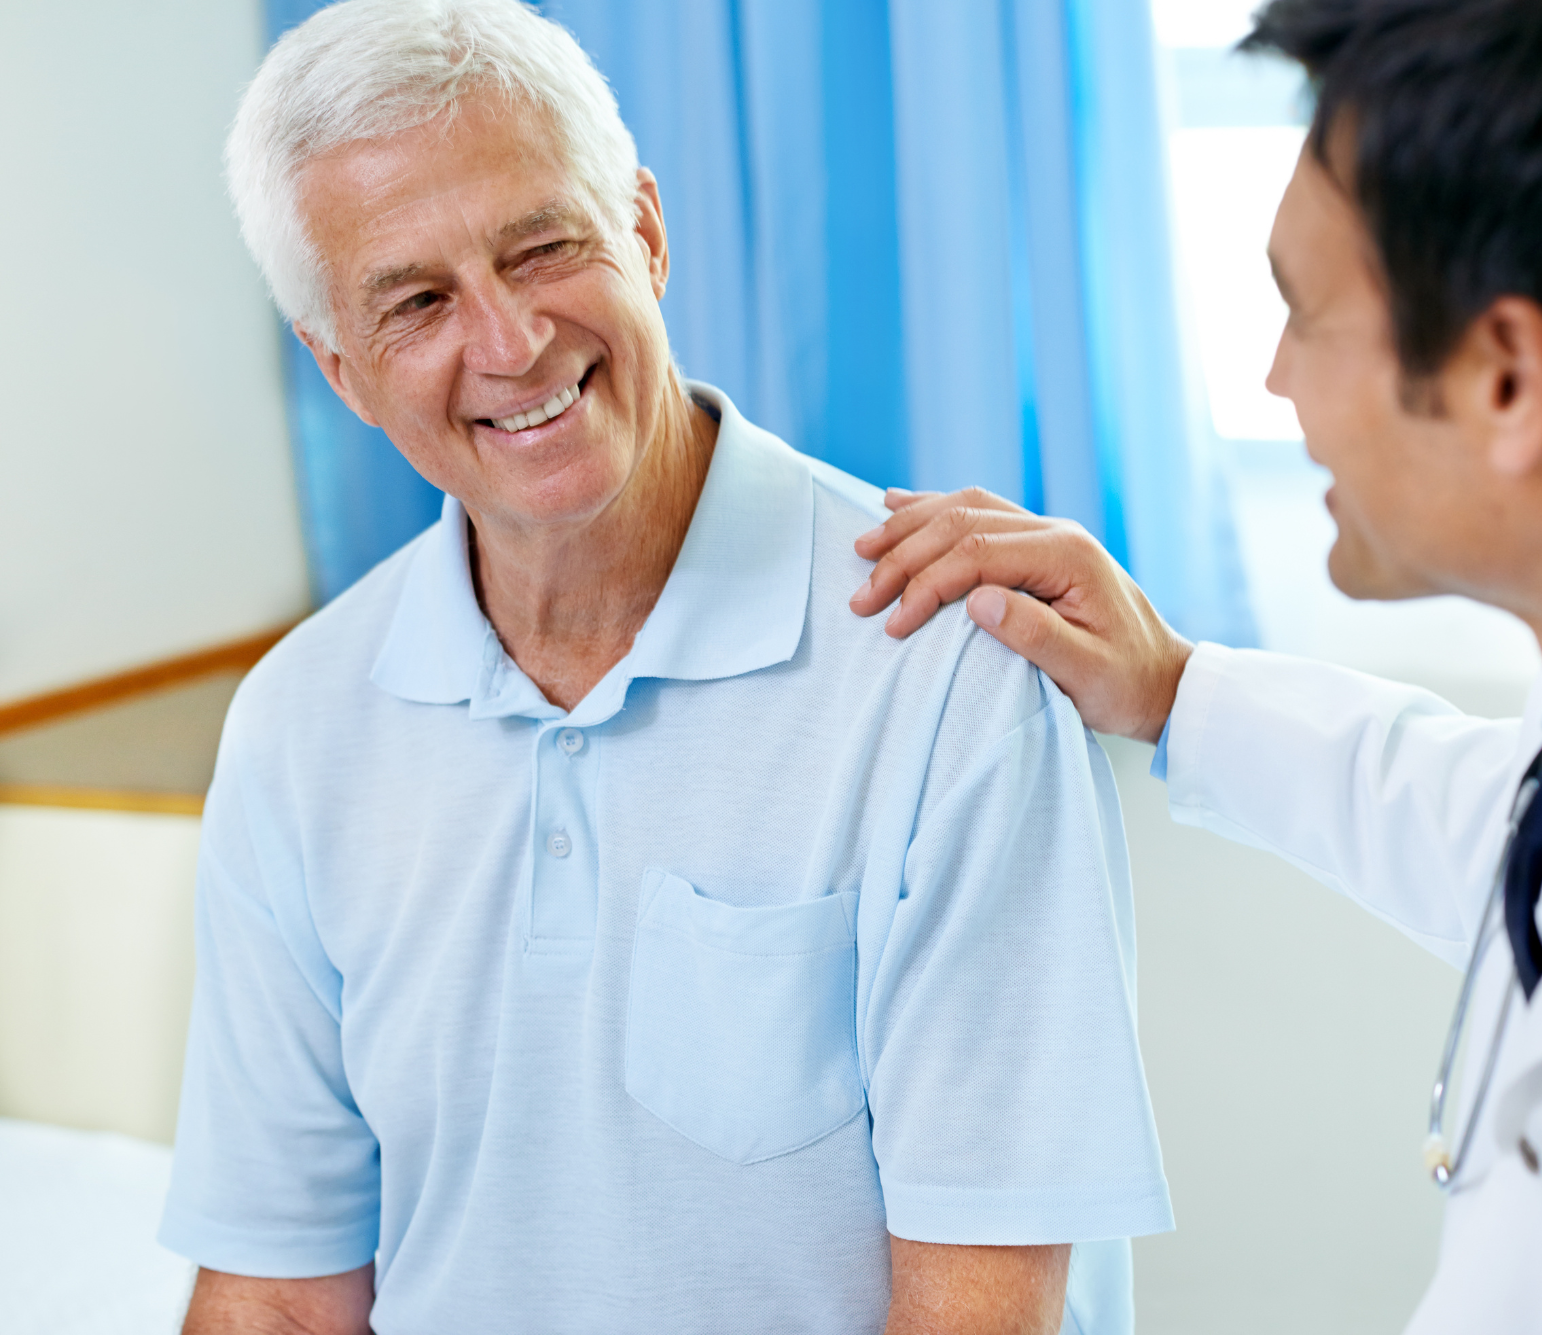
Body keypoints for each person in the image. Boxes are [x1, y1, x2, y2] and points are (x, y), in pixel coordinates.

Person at [853, 0, 1542, 1330]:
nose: (1278, 378)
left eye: (1303, 312)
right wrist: (1173, 687)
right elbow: (1495, 817)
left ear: (1508, 377)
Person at [160, 2, 1172, 1331]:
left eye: (545, 246)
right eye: (419, 301)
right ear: (339, 367)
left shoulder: (942, 667)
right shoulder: (298, 724)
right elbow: (277, 1294)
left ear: (643, 228)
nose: (512, 342)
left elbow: (985, 1307)